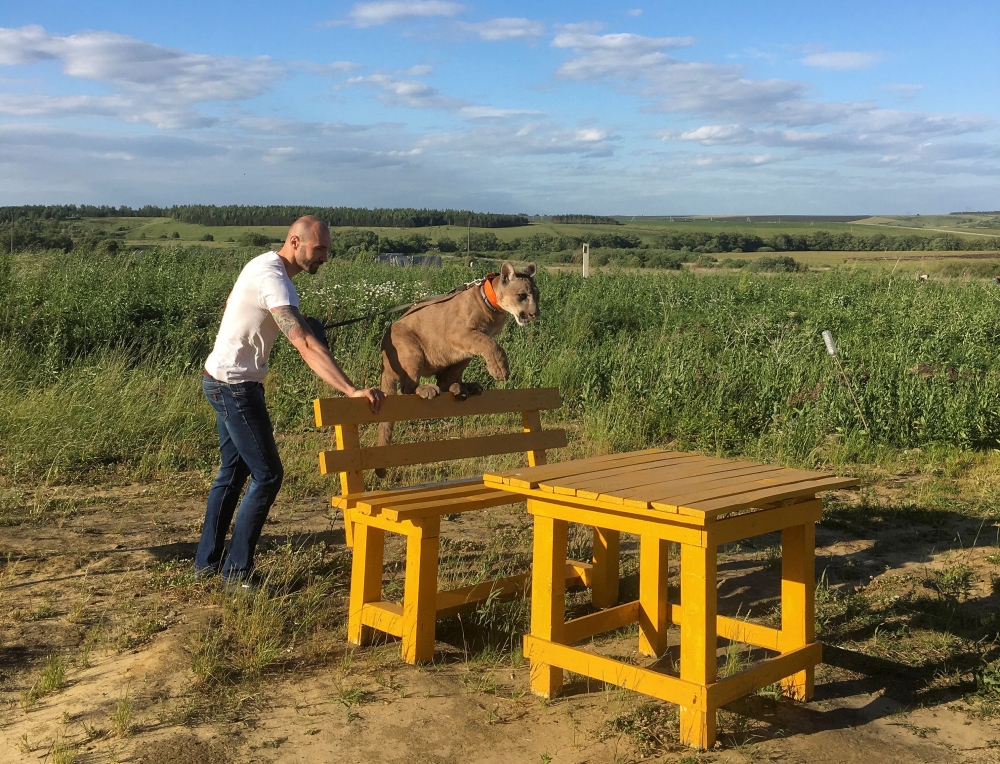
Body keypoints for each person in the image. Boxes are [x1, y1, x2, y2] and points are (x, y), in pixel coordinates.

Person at [195, 216, 384, 582]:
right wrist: (350, 389)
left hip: (219, 378)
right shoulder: (275, 279)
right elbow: (305, 344)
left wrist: (305, 322)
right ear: (295, 243)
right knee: (267, 476)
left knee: (232, 473)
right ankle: (236, 573)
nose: (324, 258)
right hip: (235, 386)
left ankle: (206, 563)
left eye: (327, 250)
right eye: (319, 249)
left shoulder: (264, 265)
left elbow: (256, 314)